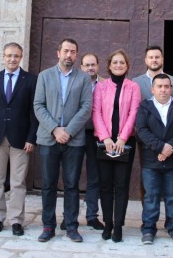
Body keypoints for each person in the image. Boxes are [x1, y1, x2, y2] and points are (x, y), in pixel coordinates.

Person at [33, 38, 93, 243]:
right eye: (65, 51)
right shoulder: (44, 76)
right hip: (48, 139)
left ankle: (71, 225)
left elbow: (86, 107)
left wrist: (68, 131)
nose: (69, 55)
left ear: (76, 55)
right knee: (48, 184)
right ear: (58, 53)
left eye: (73, 52)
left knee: (72, 185)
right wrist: (55, 130)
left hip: (74, 140)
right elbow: (38, 105)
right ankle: (48, 225)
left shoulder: (83, 78)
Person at [0, 42, 38, 236]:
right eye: (9, 55)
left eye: (16, 56)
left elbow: (34, 111)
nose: (12, 59)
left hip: (21, 139)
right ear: (3, 57)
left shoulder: (31, 80)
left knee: (18, 182)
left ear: (21, 57)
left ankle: (16, 220)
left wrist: (32, 137)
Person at [92, 49, 141, 242]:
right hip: (104, 143)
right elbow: (96, 112)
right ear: (109, 66)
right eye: (115, 63)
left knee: (121, 185)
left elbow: (134, 112)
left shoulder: (133, 87)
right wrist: (105, 138)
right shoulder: (101, 87)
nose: (118, 65)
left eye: (122, 62)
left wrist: (122, 138)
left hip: (124, 143)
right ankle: (108, 224)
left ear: (127, 66)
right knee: (105, 185)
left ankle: (118, 225)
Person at [135, 74, 173, 246]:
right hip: (151, 160)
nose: (163, 89)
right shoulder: (145, 106)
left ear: (171, 88)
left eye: (167, 86)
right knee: (151, 196)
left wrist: (170, 148)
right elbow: (141, 130)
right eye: (159, 86)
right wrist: (160, 147)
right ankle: (149, 229)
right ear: (153, 89)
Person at [74, 53, 105, 231]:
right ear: (81, 66)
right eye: (86, 65)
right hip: (77, 133)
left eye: (93, 64)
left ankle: (92, 216)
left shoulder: (105, 85)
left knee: (95, 176)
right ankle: (70, 215)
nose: (90, 68)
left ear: (98, 66)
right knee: (73, 176)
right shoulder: (75, 82)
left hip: (97, 135)